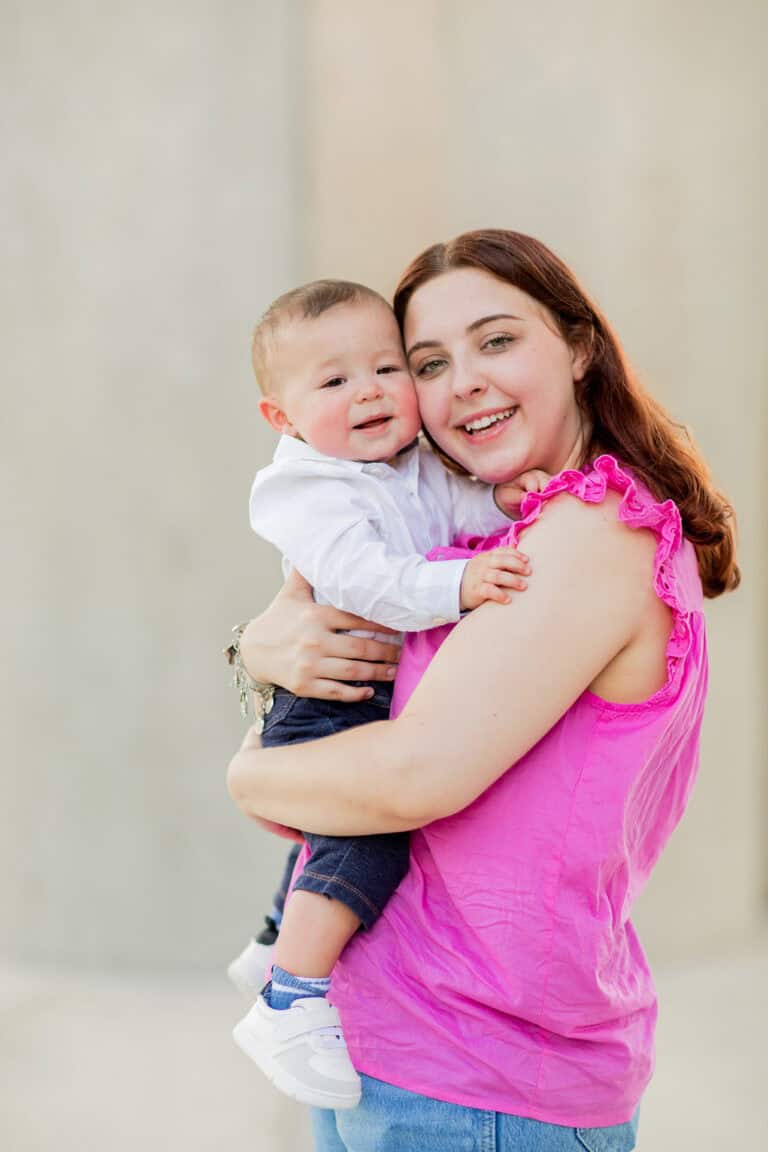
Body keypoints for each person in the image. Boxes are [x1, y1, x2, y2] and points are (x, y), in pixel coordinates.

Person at [226, 230, 739, 1151]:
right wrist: (257, 649)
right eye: (429, 361)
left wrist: (247, 774)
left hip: (484, 1078)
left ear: (579, 347)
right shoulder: (486, 528)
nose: (460, 381)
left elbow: (406, 779)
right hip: (387, 1042)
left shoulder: (591, 531)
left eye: (497, 341)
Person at [228, 277, 546, 1110]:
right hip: (329, 697)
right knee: (368, 841)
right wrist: (463, 582)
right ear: (282, 418)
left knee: (338, 836)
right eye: (334, 382)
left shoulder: (405, 464)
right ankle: (290, 996)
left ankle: (272, 938)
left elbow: (465, 502)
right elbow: (368, 582)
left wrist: (510, 500)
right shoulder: (307, 486)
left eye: (386, 367)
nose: (368, 391)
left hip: (372, 688)